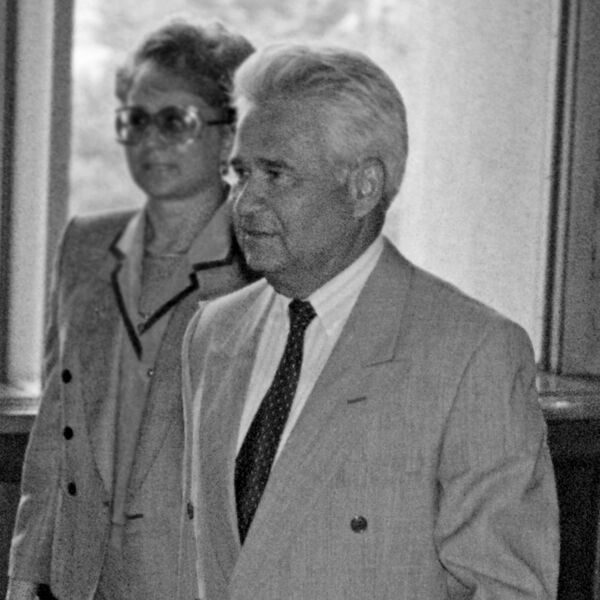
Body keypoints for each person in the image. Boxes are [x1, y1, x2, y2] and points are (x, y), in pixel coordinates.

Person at [180, 43, 560, 599]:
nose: (244, 203)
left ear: (363, 186)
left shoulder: (471, 353)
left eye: (276, 175)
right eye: (241, 173)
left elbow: (507, 588)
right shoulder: (214, 332)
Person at [7, 19, 256, 600]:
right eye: (136, 120)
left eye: (175, 121)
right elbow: (56, 423)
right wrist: (23, 573)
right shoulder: (86, 245)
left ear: (229, 135)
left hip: (197, 578)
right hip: (80, 577)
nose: (150, 140)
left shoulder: (262, 263)